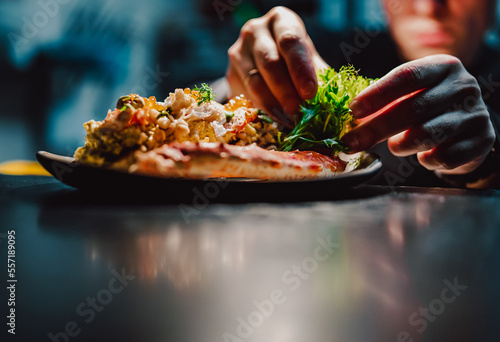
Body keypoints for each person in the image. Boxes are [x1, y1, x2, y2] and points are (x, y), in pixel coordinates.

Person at [220, 0, 500, 188]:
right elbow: (219, 89)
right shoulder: (344, 51)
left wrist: (487, 156)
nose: (428, 7)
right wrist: (239, 84)